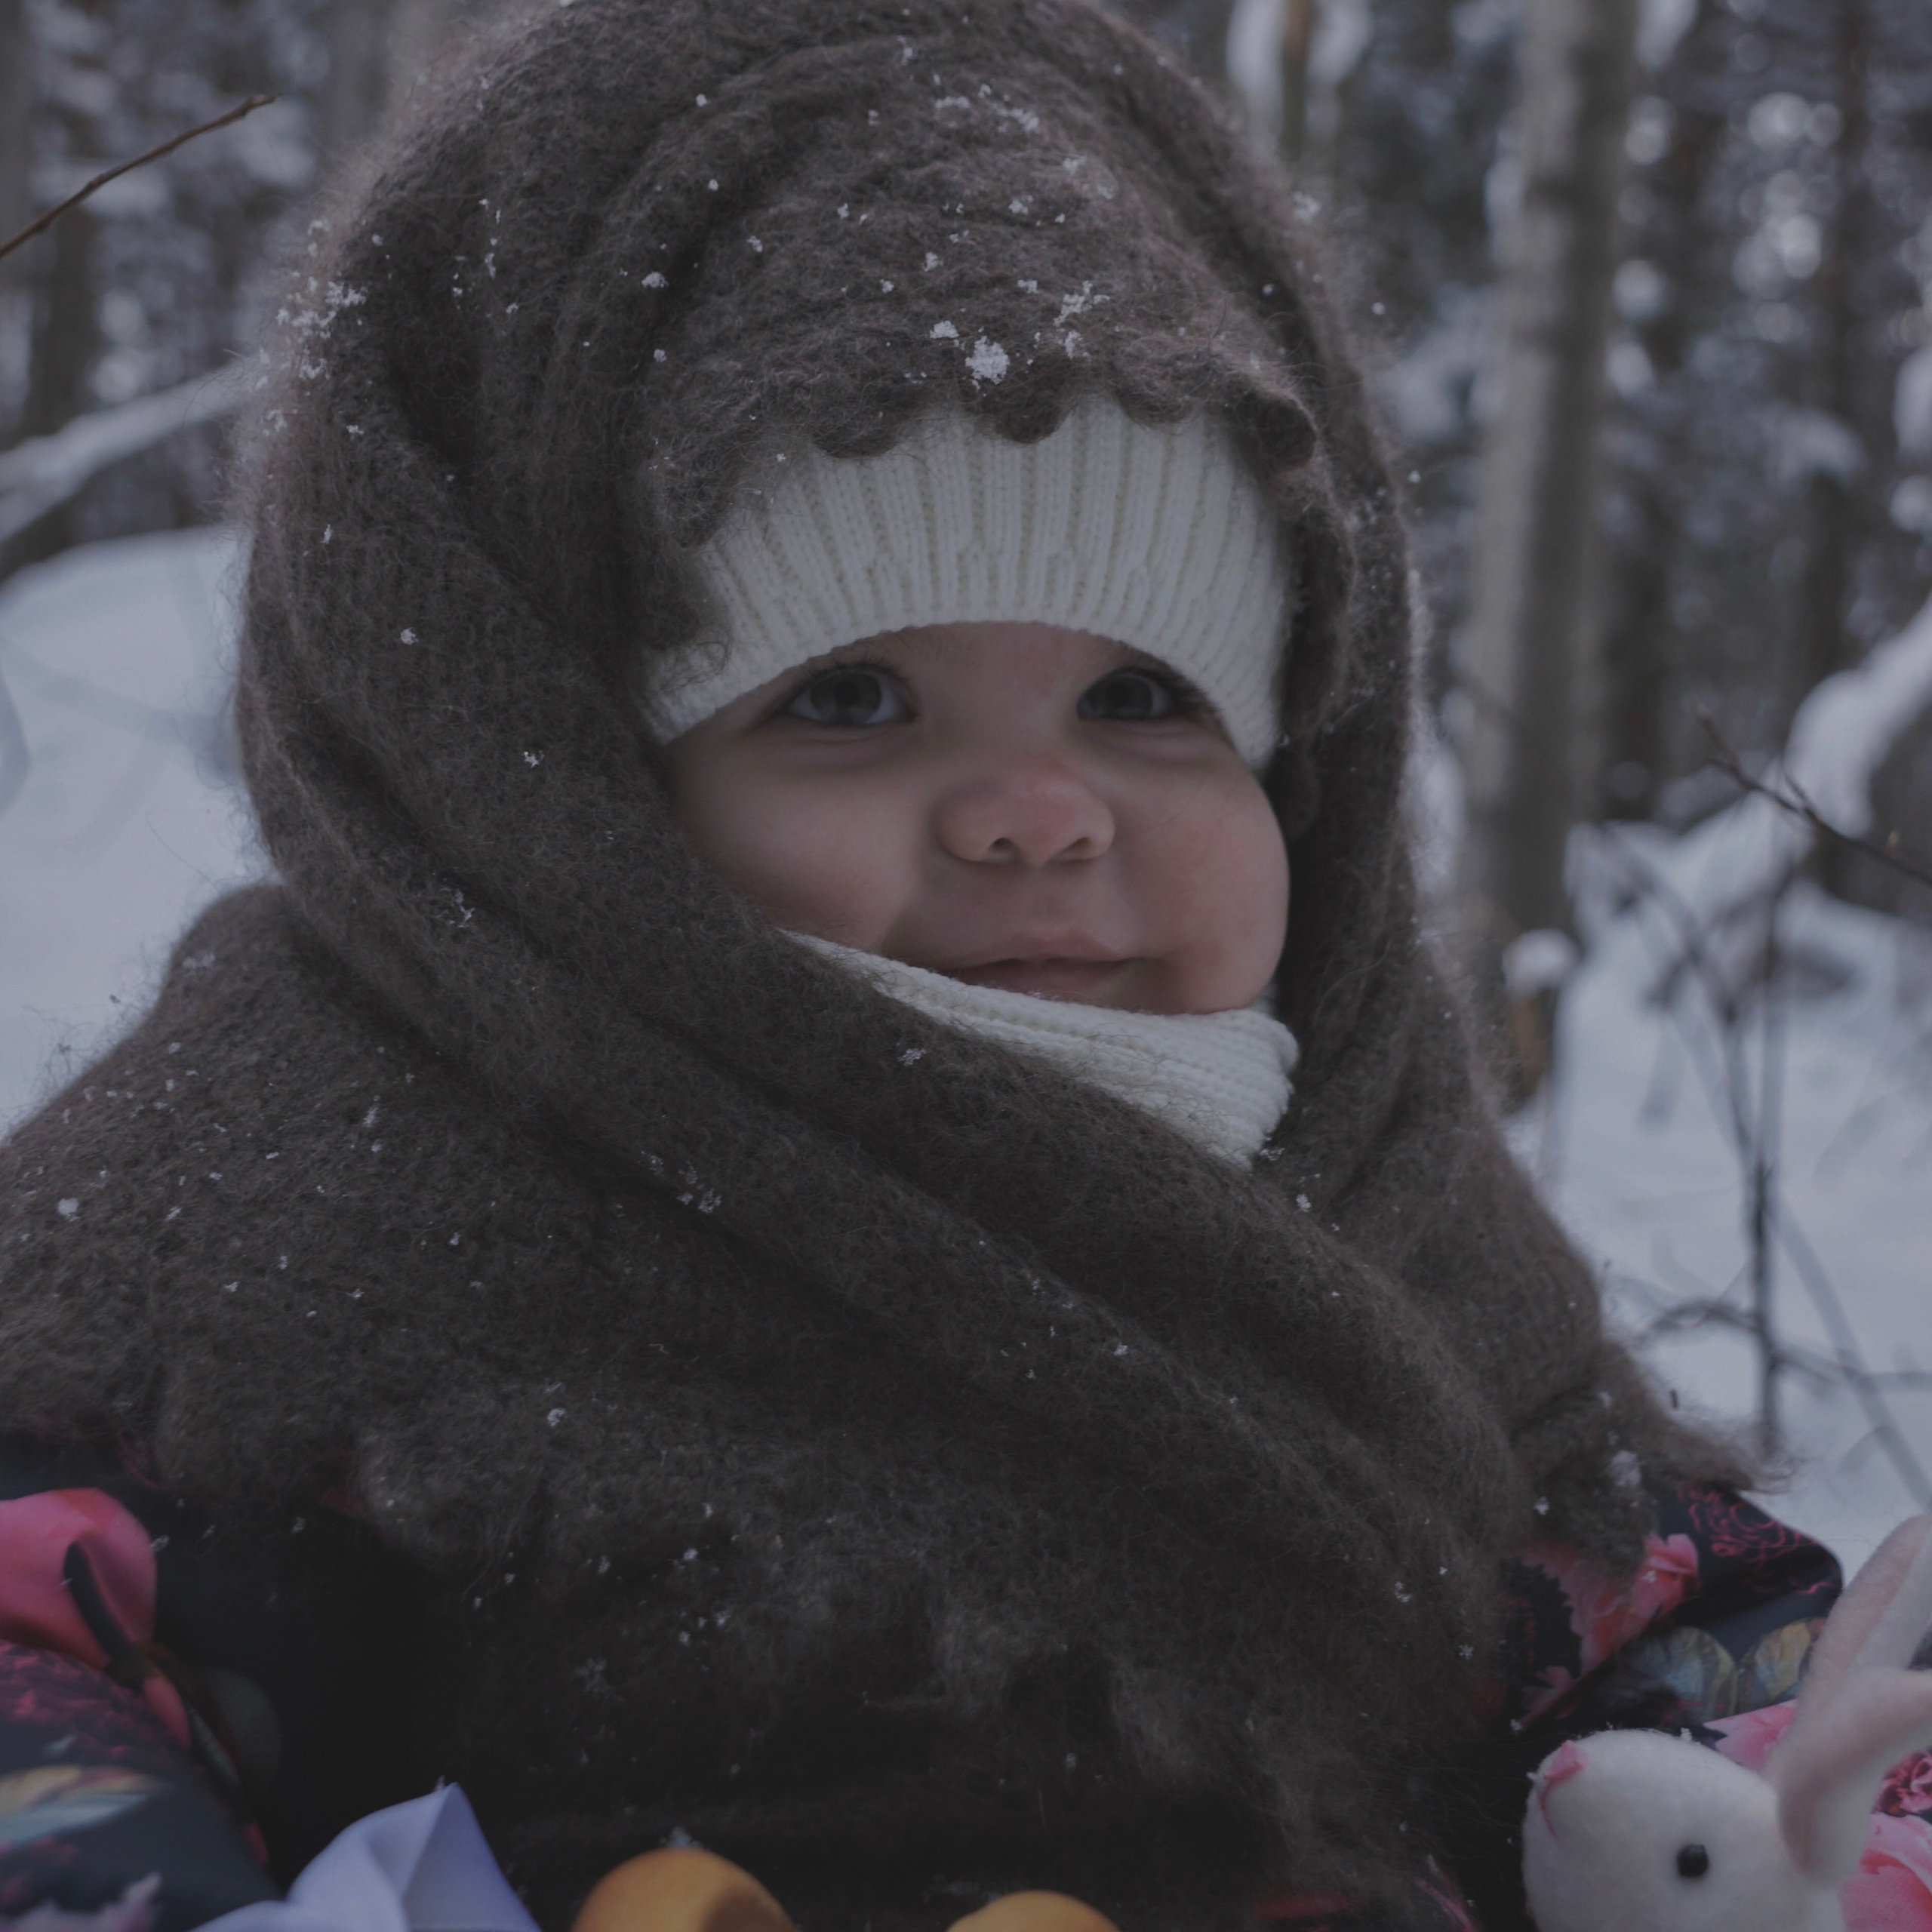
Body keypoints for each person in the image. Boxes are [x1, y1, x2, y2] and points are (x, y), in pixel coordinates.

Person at [0, 2, 1923, 1929]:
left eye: (1141, 698)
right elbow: (44, 1653)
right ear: (565, 798)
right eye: (849, 695)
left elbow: (1694, 1647)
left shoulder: (1384, 1234)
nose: (1036, 811)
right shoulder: (309, 1213)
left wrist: (1787, 1841)